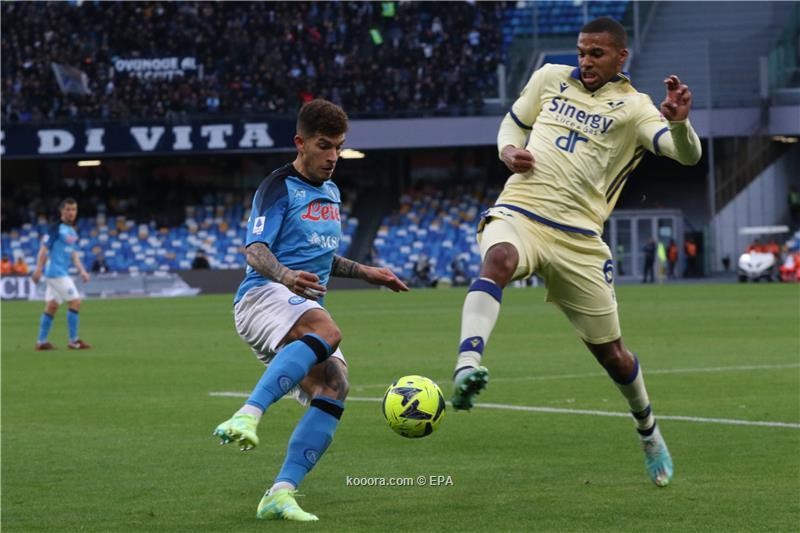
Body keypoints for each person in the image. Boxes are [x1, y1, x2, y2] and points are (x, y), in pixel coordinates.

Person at [449, 17, 702, 488]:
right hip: (521, 210)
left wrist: (681, 124)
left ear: (620, 57)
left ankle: (648, 430)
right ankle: (467, 366)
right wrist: (508, 150)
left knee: (613, 356)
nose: (586, 61)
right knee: (498, 260)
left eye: (597, 54)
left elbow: (684, 155)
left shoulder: (635, 107)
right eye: (582, 51)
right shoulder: (548, 77)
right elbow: (514, 122)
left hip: (580, 239)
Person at [212, 99, 408, 522]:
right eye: (325, 146)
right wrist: (284, 277)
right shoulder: (278, 187)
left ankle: (280, 492)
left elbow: (323, 259)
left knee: (335, 385)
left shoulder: (332, 191)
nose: (334, 157)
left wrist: (367, 272)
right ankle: (248, 414)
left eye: (339, 147)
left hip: (294, 304)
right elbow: (255, 250)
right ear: (300, 143)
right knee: (327, 327)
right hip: (261, 295)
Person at [31, 198, 91, 350]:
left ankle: (41, 342)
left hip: (59, 272)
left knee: (52, 306)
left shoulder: (71, 231)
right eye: (68, 209)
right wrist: (38, 269)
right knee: (76, 302)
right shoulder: (55, 228)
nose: (71, 212)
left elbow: (73, 254)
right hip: (56, 273)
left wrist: (82, 270)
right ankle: (74, 340)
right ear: (62, 211)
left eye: (74, 209)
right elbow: (44, 249)